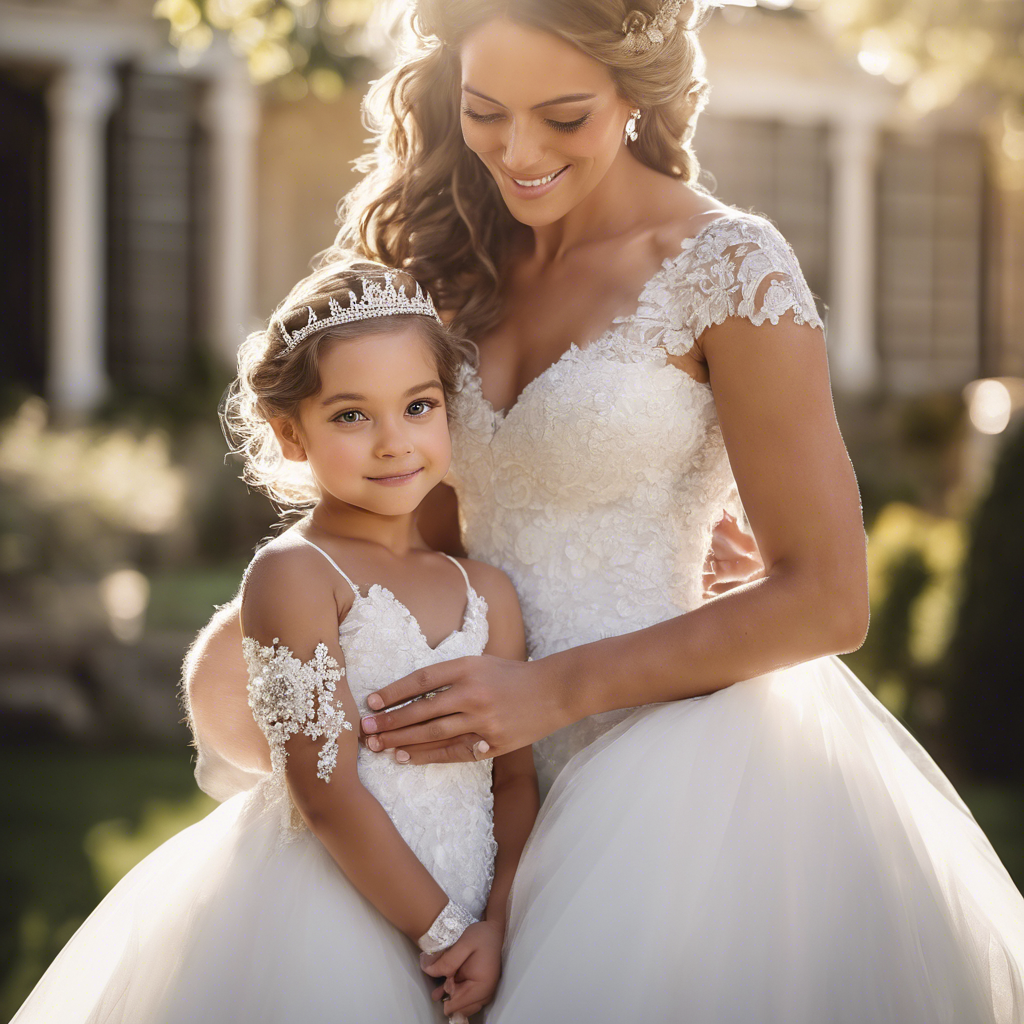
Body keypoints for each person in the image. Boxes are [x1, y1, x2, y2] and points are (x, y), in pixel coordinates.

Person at [190, 1, 1024, 1021]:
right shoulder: (447, 266)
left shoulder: (729, 268)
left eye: (564, 116)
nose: (518, 151)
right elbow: (429, 526)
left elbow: (830, 599)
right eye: (486, 110)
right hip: (466, 766)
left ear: (635, 94)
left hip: (670, 768)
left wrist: (548, 691)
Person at [12, 259, 538, 1024]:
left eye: (418, 406)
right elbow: (323, 789)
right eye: (352, 417)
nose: (394, 442)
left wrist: (498, 921)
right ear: (292, 434)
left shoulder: (486, 592)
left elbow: (514, 781)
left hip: (480, 916)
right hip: (339, 910)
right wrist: (446, 936)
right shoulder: (295, 575)